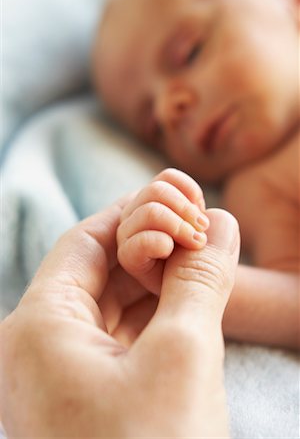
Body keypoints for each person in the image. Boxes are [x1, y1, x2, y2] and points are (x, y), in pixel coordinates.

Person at [93, 0, 300, 349]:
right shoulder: (260, 190)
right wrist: (179, 279)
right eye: (153, 127)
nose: (169, 107)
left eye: (188, 53)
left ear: (291, 0)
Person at [0, 182, 240, 437]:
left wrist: (187, 275)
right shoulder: (253, 193)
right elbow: (289, 309)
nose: (181, 138)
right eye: (158, 139)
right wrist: (180, 274)